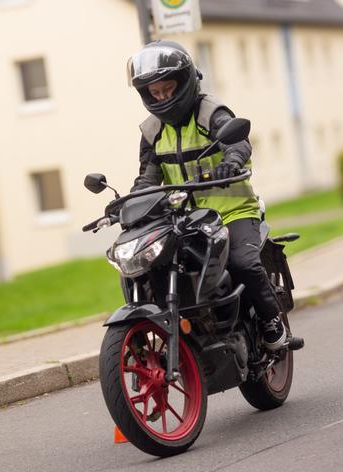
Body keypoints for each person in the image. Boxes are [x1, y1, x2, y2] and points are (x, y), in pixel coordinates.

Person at [127, 40, 288, 350]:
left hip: (232, 210)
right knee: (148, 264)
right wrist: (131, 203)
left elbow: (238, 142)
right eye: (154, 92)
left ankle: (271, 320)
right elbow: (148, 176)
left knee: (242, 262)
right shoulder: (151, 131)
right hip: (184, 220)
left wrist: (230, 163)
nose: (162, 97)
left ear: (185, 82)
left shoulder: (210, 112)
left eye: (168, 89)